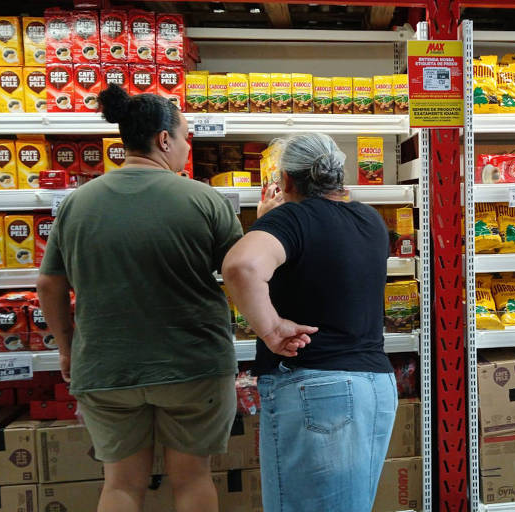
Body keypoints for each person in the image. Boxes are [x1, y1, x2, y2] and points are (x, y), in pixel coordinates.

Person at [36, 84, 242, 512]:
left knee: (121, 485)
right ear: (164, 140)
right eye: (185, 138)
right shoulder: (204, 199)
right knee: (192, 479)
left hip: (106, 366)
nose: (187, 148)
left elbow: (49, 284)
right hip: (192, 364)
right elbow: (241, 271)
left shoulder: (77, 204)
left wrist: (68, 349)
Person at [222, 133, 398, 512]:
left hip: (317, 388)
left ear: (285, 181)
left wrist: (270, 330)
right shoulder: (369, 219)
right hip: (376, 386)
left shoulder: (292, 218)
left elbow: (242, 266)